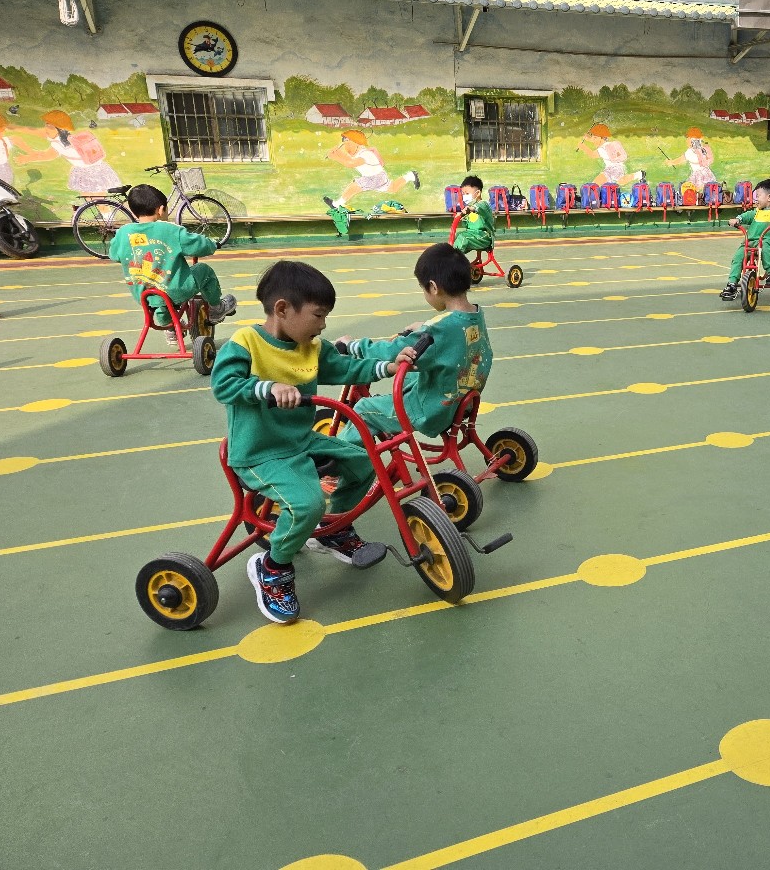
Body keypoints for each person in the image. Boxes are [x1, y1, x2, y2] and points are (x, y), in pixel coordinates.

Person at [210, 260, 416, 624]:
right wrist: (267, 387)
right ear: (282, 309)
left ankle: (334, 532)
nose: (323, 325)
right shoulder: (246, 343)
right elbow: (223, 385)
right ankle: (273, 569)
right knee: (307, 504)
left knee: (363, 460)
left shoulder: (312, 347)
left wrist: (387, 366)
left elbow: (344, 368)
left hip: (302, 441)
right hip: (259, 454)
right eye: (318, 315)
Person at [335, 243, 492, 443]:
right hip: (462, 403)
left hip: (432, 411)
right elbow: (451, 335)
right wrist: (424, 327)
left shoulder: (437, 330)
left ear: (433, 287)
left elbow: (393, 351)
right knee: (411, 376)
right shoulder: (475, 315)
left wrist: (353, 345)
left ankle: (339, 457)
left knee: (364, 409)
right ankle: (387, 419)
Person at [107, 184, 237, 346]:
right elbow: (198, 245)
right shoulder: (170, 230)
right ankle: (216, 308)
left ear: (134, 212)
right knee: (204, 271)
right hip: (176, 288)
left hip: (142, 293)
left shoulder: (123, 232)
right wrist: (212, 244)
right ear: (160, 209)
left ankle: (170, 328)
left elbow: (114, 254)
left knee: (158, 298)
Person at [13, 110, 121, 195]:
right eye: (46, 125)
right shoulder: (63, 139)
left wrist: (27, 158)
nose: (45, 129)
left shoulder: (62, 144)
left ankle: (105, 214)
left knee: (98, 200)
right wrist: (16, 128)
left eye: (50, 126)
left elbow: (46, 155)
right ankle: (101, 213)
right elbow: (38, 133)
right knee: (89, 198)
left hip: (93, 172)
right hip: (86, 171)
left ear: (60, 129)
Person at [720, 178, 770, 299]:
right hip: (748, 242)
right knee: (737, 258)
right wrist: (737, 219)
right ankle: (732, 284)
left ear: (769, 197)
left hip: (764, 241)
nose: (756, 199)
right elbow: (745, 216)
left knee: (765, 249)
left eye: (758, 196)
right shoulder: (756, 212)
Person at [322, 129, 419, 213]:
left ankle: (337, 204)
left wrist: (335, 157)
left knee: (355, 185)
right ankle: (410, 175)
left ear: (356, 143)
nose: (345, 147)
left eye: (348, 144)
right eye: (344, 144)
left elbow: (350, 163)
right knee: (393, 188)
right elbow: (347, 159)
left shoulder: (365, 154)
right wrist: (337, 153)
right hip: (379, 177)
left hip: (374, 178)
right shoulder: (358, 153)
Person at [577, 123, 645, 187]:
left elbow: (592, 155)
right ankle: (639, 174)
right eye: (592, 137)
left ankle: (592, 194)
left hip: (611, 170)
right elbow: (596, 139)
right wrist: (588, 139)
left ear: (602, 138)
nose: (593, 140)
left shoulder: (602, 149)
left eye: (595, 138)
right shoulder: (608, 144)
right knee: (621, 181)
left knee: (595, 184)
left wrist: (583, 147)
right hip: (620, 168)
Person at [451, 175, 496, 256]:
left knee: (463, 238)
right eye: (463, 193)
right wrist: (461, 217)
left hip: (484, 237)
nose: (465, 196)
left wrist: (470, 209)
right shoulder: (469, 207)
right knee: (457, 236)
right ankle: (455, 256)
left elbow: (477, 208)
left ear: (478, 193)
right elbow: (468, 224)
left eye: (467, 193)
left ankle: (454, 259)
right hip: (473, 235)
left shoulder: (483, 204)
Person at [666, 127, 716, 191]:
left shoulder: (690, 152)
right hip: (706, 173)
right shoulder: (702, 149)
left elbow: (681, 159)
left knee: (694, 189)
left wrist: (671, 162)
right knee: (703, 190)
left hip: (699, 175)